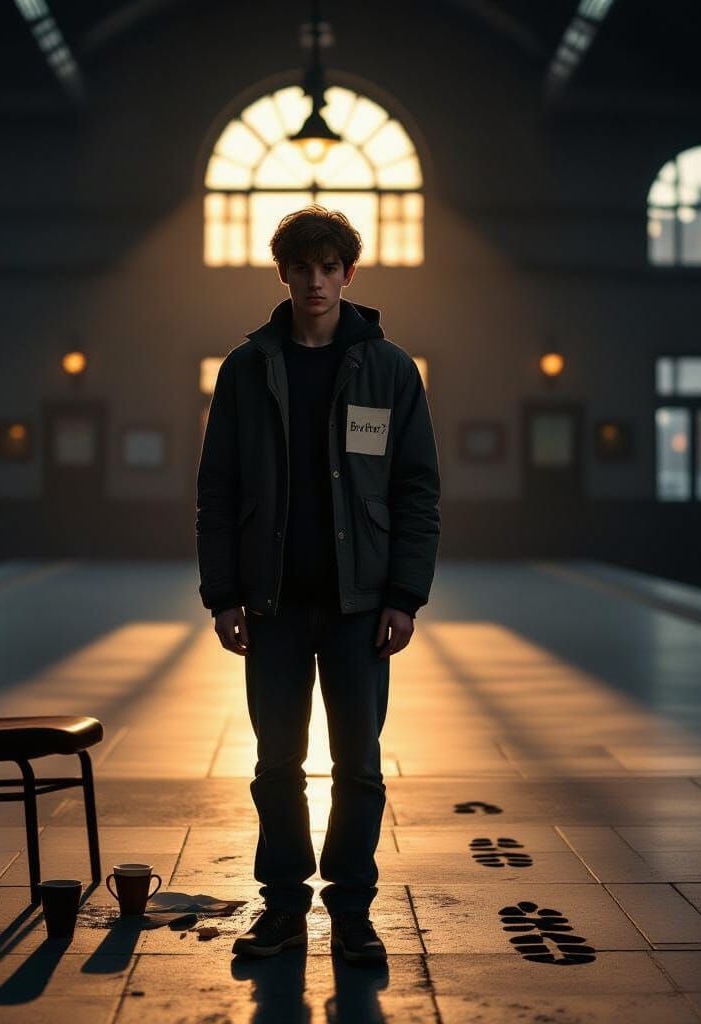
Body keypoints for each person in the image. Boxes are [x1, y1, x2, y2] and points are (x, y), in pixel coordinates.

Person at [196, 205, 440, 964]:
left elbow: (416, 491)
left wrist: (404, 597)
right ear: (283, 274)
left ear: (348, 274)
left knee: (358, 766)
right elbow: (217, 491)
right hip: (271, 603)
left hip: (359, 605)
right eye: (301, 268)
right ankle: (282, 909)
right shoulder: (246, 369)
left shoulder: (389, 370)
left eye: (328, 268)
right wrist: (223, 596)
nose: (315, 282)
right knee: (276, 765)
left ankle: (353, 912)